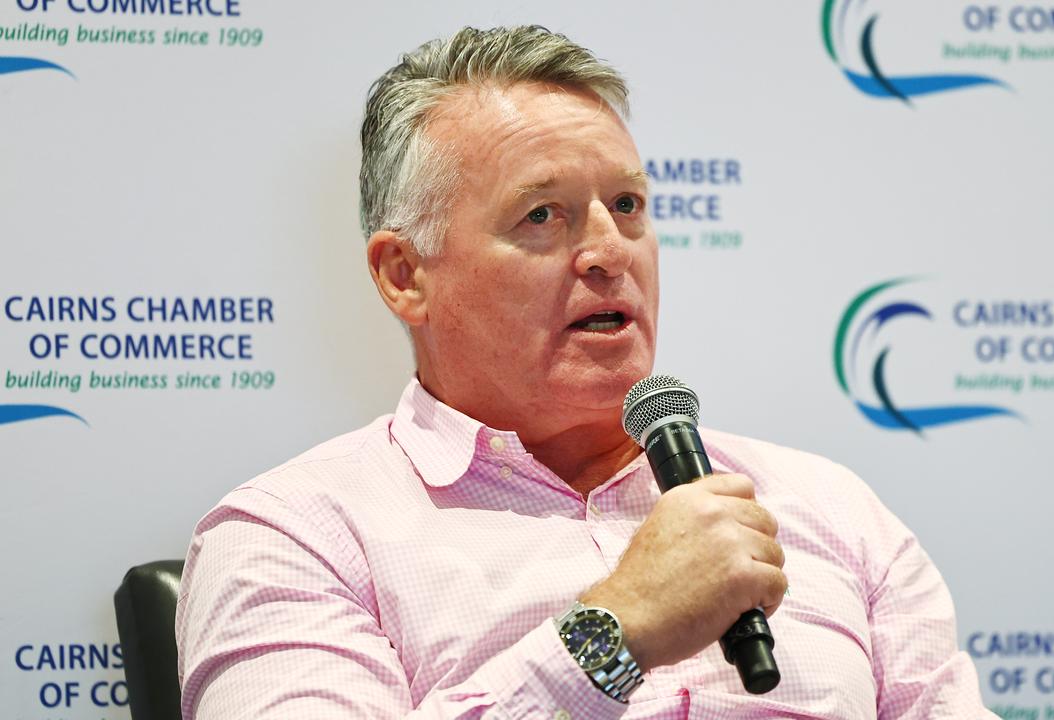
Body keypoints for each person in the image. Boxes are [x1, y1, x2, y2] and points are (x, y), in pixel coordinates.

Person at [176, 26, 994, 719]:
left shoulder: (833, 511)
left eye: (628, 207)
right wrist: (614, 630)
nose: (609, 253)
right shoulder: (294, 537)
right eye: (543, 216)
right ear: (405, 275)